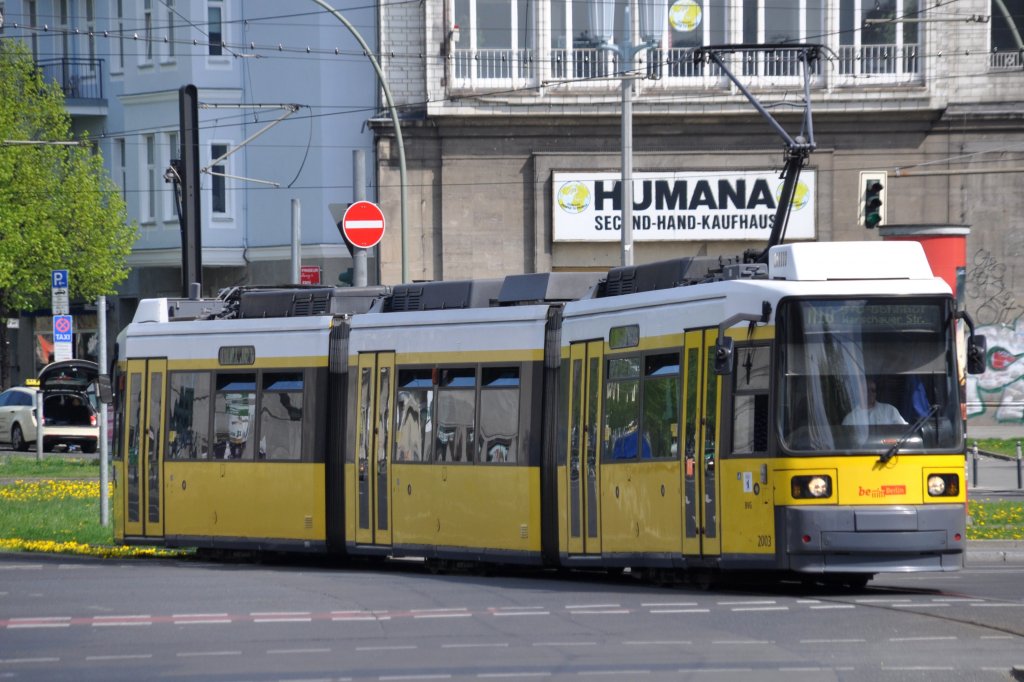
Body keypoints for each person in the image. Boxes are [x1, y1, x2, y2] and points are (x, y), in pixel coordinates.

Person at [842, 378, 907, 426]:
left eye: (873, 390)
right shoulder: (850, 419)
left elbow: (904, 432)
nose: (870, 393)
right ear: (859, 393)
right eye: (867, 390)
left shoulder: (890, 410)